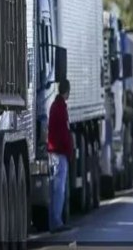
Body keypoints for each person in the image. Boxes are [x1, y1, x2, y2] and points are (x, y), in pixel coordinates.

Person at [48, 79, 73, 233]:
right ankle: (57, 222)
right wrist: (68, 149)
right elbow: (64, 132)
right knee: (59, 190)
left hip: (53, 152)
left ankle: (54, 221)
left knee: (54, 189)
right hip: (59, 153)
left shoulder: (54, 106)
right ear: (67, 91)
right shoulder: (61, 107)